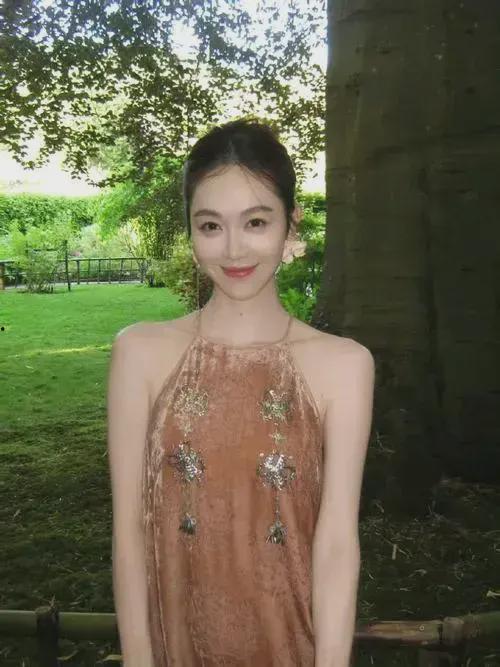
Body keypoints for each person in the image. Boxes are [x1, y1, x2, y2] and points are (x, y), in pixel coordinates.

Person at [107, 118, 375, 666]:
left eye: (255, 221)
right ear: (190, 232)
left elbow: (335, 545)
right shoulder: (140, 353)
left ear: (290, 223)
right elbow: (130, 531)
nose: (233, 249)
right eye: (210, 225)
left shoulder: (344, 366)